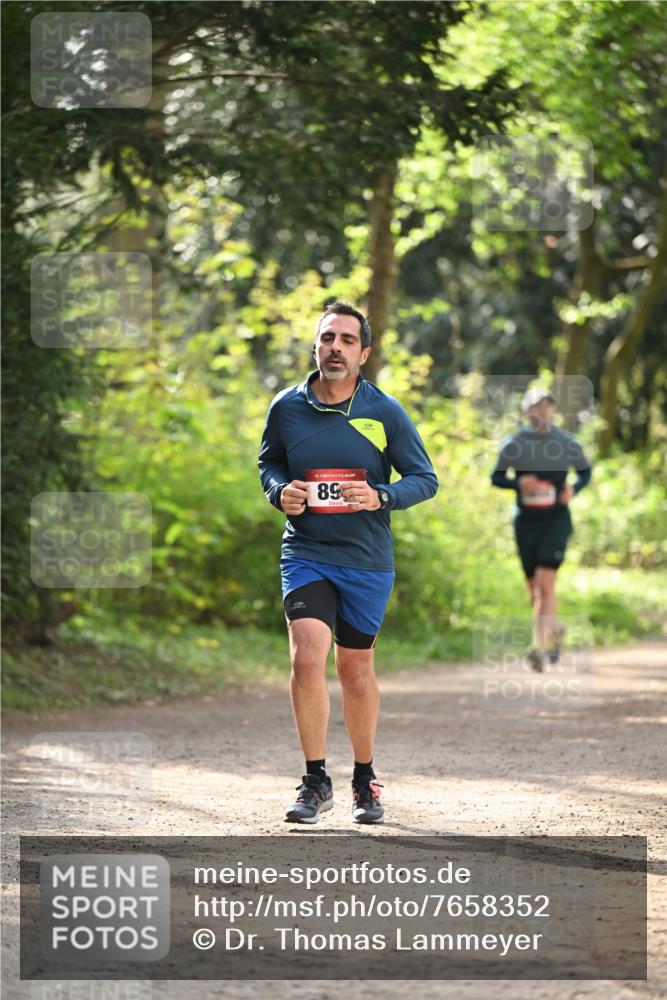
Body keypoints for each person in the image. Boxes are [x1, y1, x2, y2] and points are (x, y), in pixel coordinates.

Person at [258, 301, 438, 824]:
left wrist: (381, 496)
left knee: (355, 670)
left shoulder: (384, 412)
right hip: (307, 550)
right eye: (327, 338)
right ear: (316, 346)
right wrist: (278, 492)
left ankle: (364, 779)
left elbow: (424, 479)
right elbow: (270, 461)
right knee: (306, 654)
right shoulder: (286, 407)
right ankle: (315, 780)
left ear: (364, 353)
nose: (335, 348)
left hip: (366, 559)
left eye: (346, 340)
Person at [490, 386, 592, 672]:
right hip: (526, 522)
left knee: (546, 584)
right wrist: (518, 484)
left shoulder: (566, 441)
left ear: (553, 410)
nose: (543, 411)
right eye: (537, 406)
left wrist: (574, 487)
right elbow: (496, 477)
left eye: (548, 405)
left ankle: (539, 647)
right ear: (526, 411)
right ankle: (555, 630)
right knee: (535, 591)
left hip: (556, 520)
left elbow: (585, 472)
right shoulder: (515, 444)